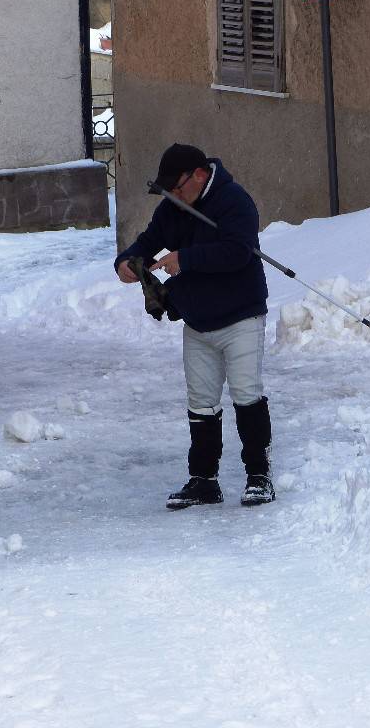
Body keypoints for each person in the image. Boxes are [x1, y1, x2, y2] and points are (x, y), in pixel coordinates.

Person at [114, 143, 274, 510]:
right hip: (198, 319)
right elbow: (147, 241)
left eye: (177, 186)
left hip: (241, 316)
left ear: (200, 175)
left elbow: (238, 251)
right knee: (201, 402)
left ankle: (259, 475)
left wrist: (186, 258)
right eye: (167, 189)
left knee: (246, 394)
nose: (172, 194)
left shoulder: (235, 201)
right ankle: (203, 480)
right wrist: (126, 262)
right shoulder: (174, 207)